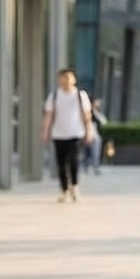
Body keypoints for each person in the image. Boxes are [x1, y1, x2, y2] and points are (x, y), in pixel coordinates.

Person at [42, 68, 93, 202]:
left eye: (69, 78)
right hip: (59, 134)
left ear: (74, 80)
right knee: (61, 163)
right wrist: (46, 131)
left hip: (75, 132)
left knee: (74, 161)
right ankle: (64, 190)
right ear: (59, 80)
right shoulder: (54, 96)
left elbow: (86, 115)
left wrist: (89, 130)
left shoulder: (80, 95)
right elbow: (49, 115)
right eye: (63, 78)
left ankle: (75, 187)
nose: (66, 81)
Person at [84, 99, 107, 175]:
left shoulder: (98, 114)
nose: (98, 105)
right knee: (88, 151)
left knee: (96, 152)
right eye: (96, 103)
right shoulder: (88, 112)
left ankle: (95, 166)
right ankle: (86, 165)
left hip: (96, 135)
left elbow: (104, 121)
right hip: (88, 134)